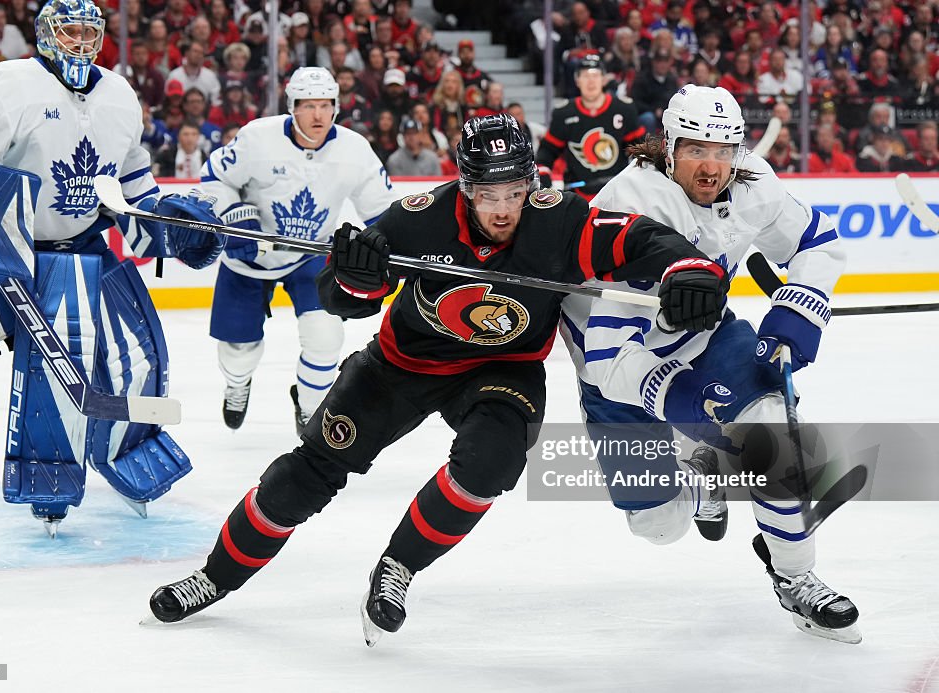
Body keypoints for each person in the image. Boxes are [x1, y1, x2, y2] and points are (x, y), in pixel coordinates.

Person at [147, 113, 728, 641]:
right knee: (310, 469)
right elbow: (341, 298)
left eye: (515, 192)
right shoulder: (418, 218)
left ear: (532, 182)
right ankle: (214, 576)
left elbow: (642, 239)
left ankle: (398, 567)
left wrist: (691, 270)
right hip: (402, 366)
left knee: (492, 463)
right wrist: (354, 277)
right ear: (464, 187)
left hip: (503, 369)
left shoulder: (561, 220)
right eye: (487, 194)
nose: (503, 210)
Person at [560, 85, 860, 644]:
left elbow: (818, 241)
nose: (711, 166)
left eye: (724, 151)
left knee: (772, 426)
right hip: (615, 359)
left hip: (703, 334)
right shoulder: (632, 204)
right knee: (658, 525)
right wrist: (681, 400)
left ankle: (795, 576)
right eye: (696, 149)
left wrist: (797, 313)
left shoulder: (753, 183)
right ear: (668, 147)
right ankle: (699, 480)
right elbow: (605, 354)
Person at [0, 0, 225, 534]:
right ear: (46, 34)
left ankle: (130, 452)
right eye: (71, 31)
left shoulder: (119, 93)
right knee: (56, 370)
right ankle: (49, 475)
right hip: (23, 250)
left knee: (137, 353)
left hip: (88, 241)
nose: (82, 42)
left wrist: (164, 228)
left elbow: (129, 183)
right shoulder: (12, 82)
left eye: (90, 32)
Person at [201, 66, 396, 433]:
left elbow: (382, 211)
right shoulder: (258, 137)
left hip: (311, 254)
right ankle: (237, 383)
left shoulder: (354, 149)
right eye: (308, 105)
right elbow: (214, 178)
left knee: (326, 336)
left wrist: (390, 245)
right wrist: (234, 217)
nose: (318, 115)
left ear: (336, 106)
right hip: (250, 255)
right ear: (292, 107)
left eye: (325, 105)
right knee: (238, 351)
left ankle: (310, 408)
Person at [536, 55, 646, 201]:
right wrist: (544, 181)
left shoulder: (623, 108)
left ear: (603, 79)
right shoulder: (564, 113)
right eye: (585, 76)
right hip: (578, 195)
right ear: (577, 81)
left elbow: (642, 148)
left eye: (595, 75)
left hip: (617, 192)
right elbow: (546, 152)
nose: (591, 81)